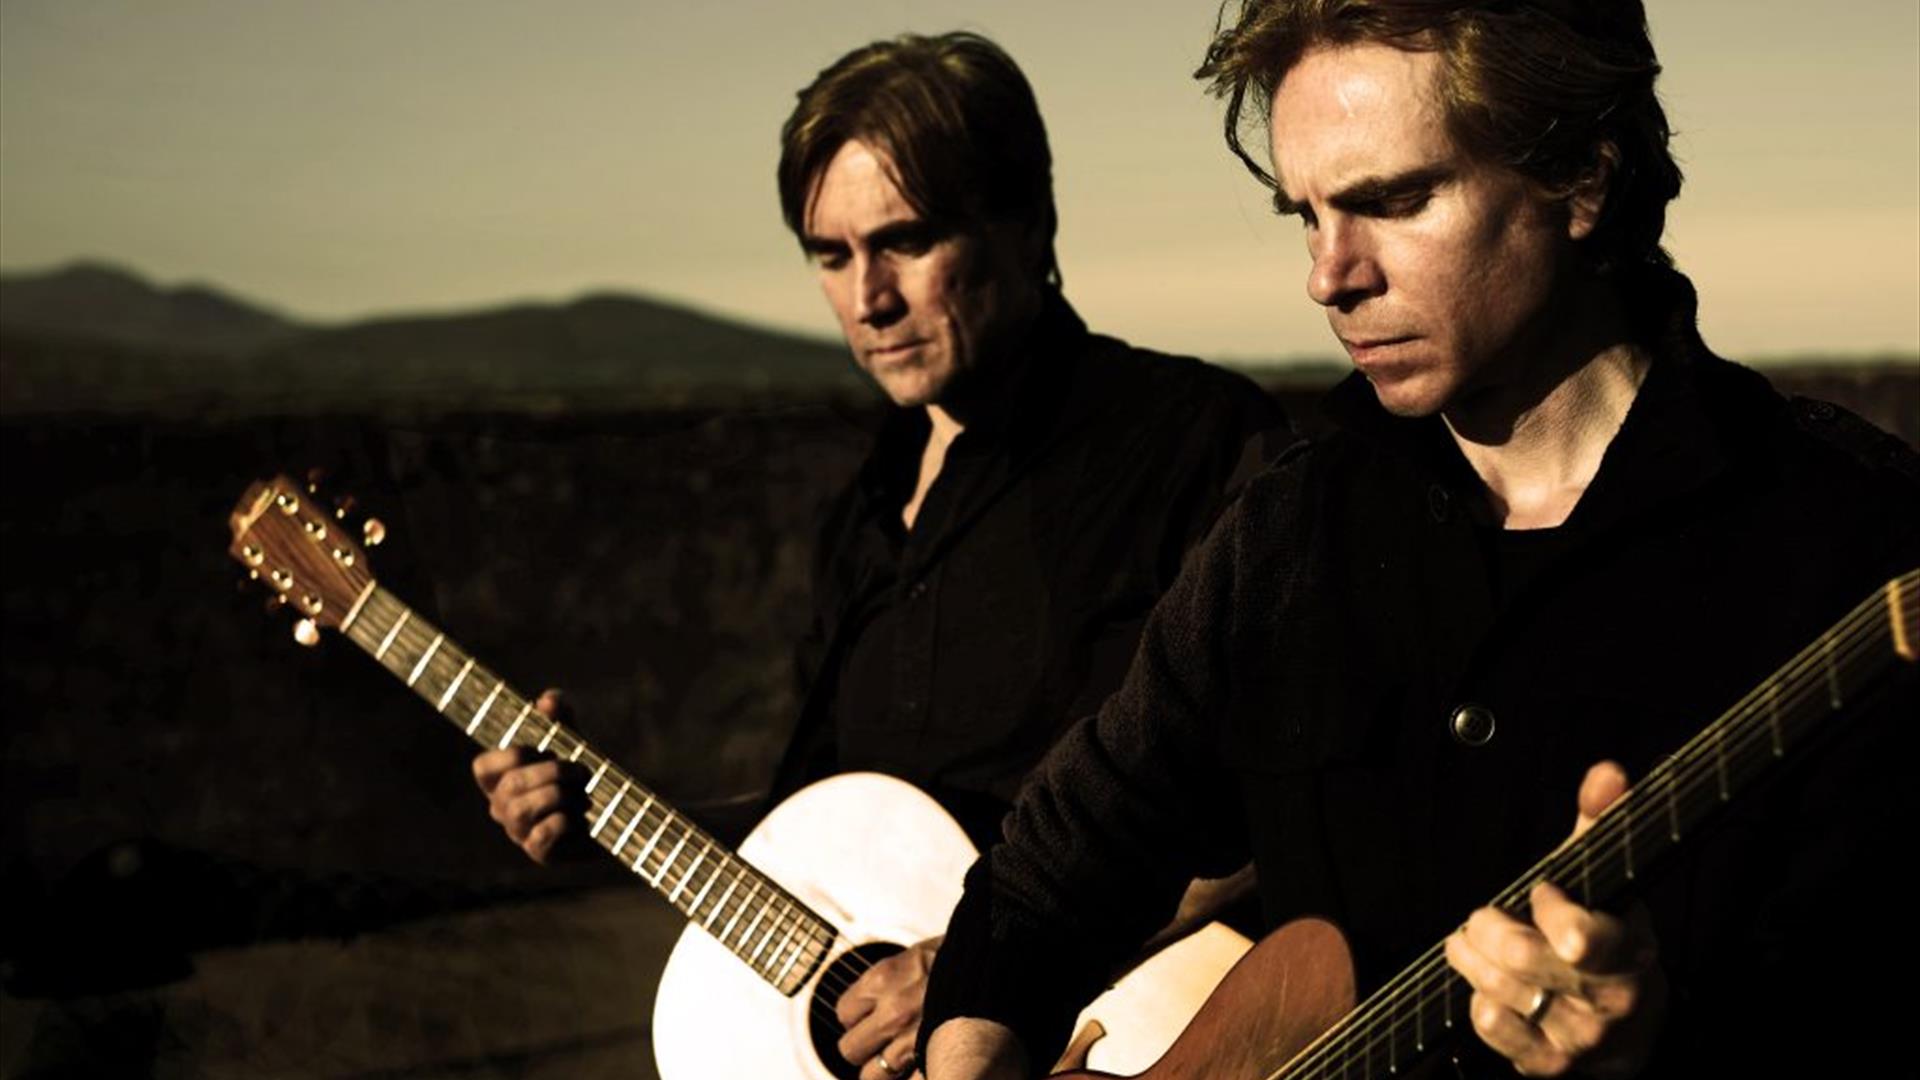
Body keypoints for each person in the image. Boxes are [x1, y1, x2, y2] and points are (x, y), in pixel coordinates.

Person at [920, 2, 1920, 1077]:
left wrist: (1659, 1047)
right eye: (1304, 214)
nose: (1329, 275)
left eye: (1392, 201)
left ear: (1582, 176)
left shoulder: (1852, 538)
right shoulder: (1288, 533)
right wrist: (972, 1043)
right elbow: (1050, 869)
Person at [472, 31, 1283, 1080]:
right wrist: (605, 819)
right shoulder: (869, 508)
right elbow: (825, 828)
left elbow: (1291, 792)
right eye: (831, 255)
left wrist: (981, 969)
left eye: (904, 241)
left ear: (1026, 221)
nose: (869, 299)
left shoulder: (1197, 441)